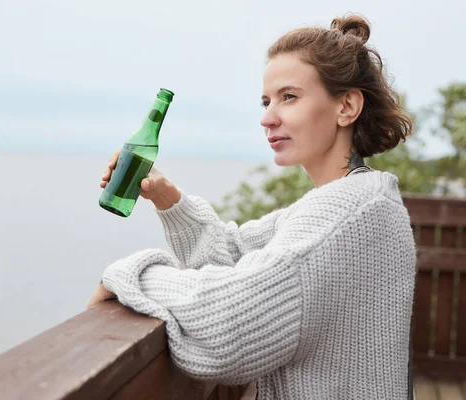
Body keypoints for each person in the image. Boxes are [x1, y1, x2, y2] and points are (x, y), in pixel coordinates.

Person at [88, 14, 416, 400]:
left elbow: (229, 324)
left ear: (346, 106)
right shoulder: (359, 199)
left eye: (289, 97)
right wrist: (167, 197)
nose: (266, 118)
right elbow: (236, 255)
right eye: (266, 101)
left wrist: (130, 277)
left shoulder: (345, 215)